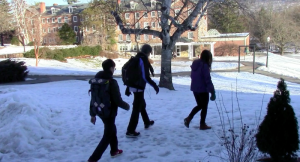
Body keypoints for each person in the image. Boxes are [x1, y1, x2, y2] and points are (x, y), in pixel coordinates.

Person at [88, 59, 130, 162]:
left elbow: (93, 98)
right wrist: (127, 106)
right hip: (109, 112)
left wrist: (93, 114)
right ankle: (93, 159)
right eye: (114, 68)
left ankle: (114, 150)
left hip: (99, 110)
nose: (114, 70)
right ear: (111, 68)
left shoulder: (96, 81)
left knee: (111, 128)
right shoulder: (111, 82)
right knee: (107, 135)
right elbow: (117, 100)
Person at [125, 44, 159, 138]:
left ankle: (147, 122)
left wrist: (128, 87)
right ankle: (130, 130)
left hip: (134, 85)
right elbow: (144, 76)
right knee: (137, 107)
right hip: (138, 86)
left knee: (141, 104)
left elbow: (130, 74)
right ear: (148, 52)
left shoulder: (136, 58)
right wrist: (154, 85)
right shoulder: (142, 59)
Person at [183, 50, 216, 130]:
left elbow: (192, 77)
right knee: (204, 107)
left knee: (200, 105)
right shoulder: (204, 66)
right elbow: (207, 79)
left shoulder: (195, 64)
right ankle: (202, 124)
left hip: (195, 89)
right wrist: (212, 91)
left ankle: (188, 118)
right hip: (203, 89)